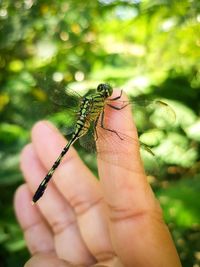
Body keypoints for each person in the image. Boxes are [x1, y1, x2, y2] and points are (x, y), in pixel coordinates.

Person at [14, 90, 182, 267]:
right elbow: (104, 125)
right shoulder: (103, 103)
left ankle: (40, 190)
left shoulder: (91, 100)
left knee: (61, 157)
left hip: (81, 125)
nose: (106, 92)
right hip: (85, 126)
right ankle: (41, 189)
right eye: (105, 91)